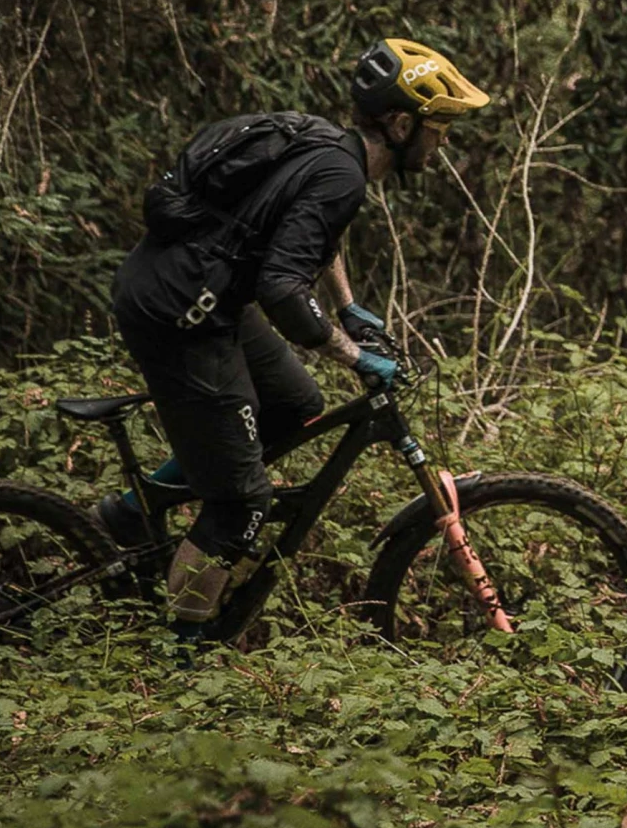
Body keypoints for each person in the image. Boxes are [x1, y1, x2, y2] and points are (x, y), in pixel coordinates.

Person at [104, 37, 490, 628]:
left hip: (199, 289)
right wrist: (353, 354)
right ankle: (181, 658)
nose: (443, 142)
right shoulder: (343, 174)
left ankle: (139, 506)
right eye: (438, 128)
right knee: (242, 504)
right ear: (401, 122)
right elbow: (282, 288)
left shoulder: (334, 151)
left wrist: (349, 305)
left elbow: (310, 236)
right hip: (179, 311)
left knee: (297, 406)